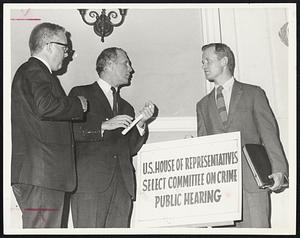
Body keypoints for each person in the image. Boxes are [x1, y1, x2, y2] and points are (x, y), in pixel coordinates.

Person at [196, 43, 288, 228]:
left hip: (252, 182)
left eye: (208, 60)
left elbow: (269, 134)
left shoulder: (253, 93)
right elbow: (204, 146)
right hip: (219, 189)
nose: (204, 65)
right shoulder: (202, 105)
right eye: (202, 62)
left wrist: (279, 170)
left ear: (224, 61)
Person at [11, 22, 87, 228]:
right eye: (64, 48)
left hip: (41, 175)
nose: (66, 54)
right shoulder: (35, 70)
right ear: (48, 45)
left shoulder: (33, 72)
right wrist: (76, 104)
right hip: (43, 175)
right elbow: (46, 106)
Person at [69, 47, 155, 228]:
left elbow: (130, 148)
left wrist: (141, 124)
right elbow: (69, 133)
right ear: (109, 65)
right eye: (126, 63)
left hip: (122, 187)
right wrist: (102, 126)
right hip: (90, 185)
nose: (131, 69)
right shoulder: (80, 93)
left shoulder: (126, 107)